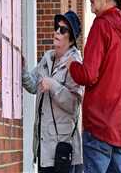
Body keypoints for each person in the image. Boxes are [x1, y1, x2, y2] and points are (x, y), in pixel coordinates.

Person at [67, 0, 121, 173]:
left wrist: (71, 65)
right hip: (119, 133)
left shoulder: (101, 26)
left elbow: (89, 75)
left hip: (99, 130)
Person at [22, 11, 84, 173]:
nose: (57, 31)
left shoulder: (74, 63)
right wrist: (20, 69)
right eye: (56, 27)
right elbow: (33, 85)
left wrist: (53, 85)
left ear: (71, 40)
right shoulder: (48, 58)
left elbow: (74, 105)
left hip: (62, 151)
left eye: (63, 30)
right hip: (44, 148)